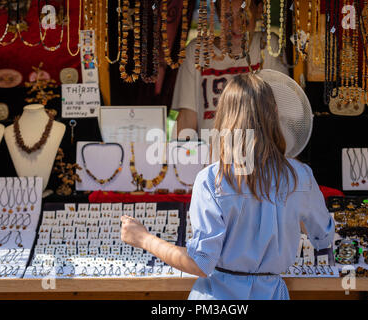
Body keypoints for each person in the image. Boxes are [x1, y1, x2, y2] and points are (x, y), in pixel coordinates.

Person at [121, 73, 335, 300]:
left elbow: (200, 263)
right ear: (274, 114)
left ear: (225, 119)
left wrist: (143, 238)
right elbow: (323, 236)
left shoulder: (211, 180)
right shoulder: (300, 176)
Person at [172, 0, 289, 136]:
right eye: (227, 17)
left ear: (259, 10)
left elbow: (282, 114)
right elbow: (187, 118)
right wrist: (176, 153)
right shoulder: (196, 51)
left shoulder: (267, 46)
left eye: (243, 15)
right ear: (217, 14)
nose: (236, 26)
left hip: (256, 154)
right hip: (210, 154)